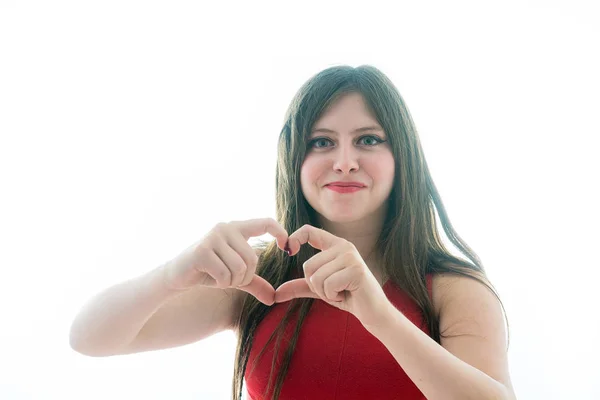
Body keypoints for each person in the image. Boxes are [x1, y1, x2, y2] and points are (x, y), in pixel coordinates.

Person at [69, 65, 516, 400]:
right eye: (321, 142)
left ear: (403, 157)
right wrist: (172, 274)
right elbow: (88, 339)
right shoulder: (259, 280)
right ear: (295, 161)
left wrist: (378, 314)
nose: (344, 161)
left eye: (368, 139)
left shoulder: (453, 288)